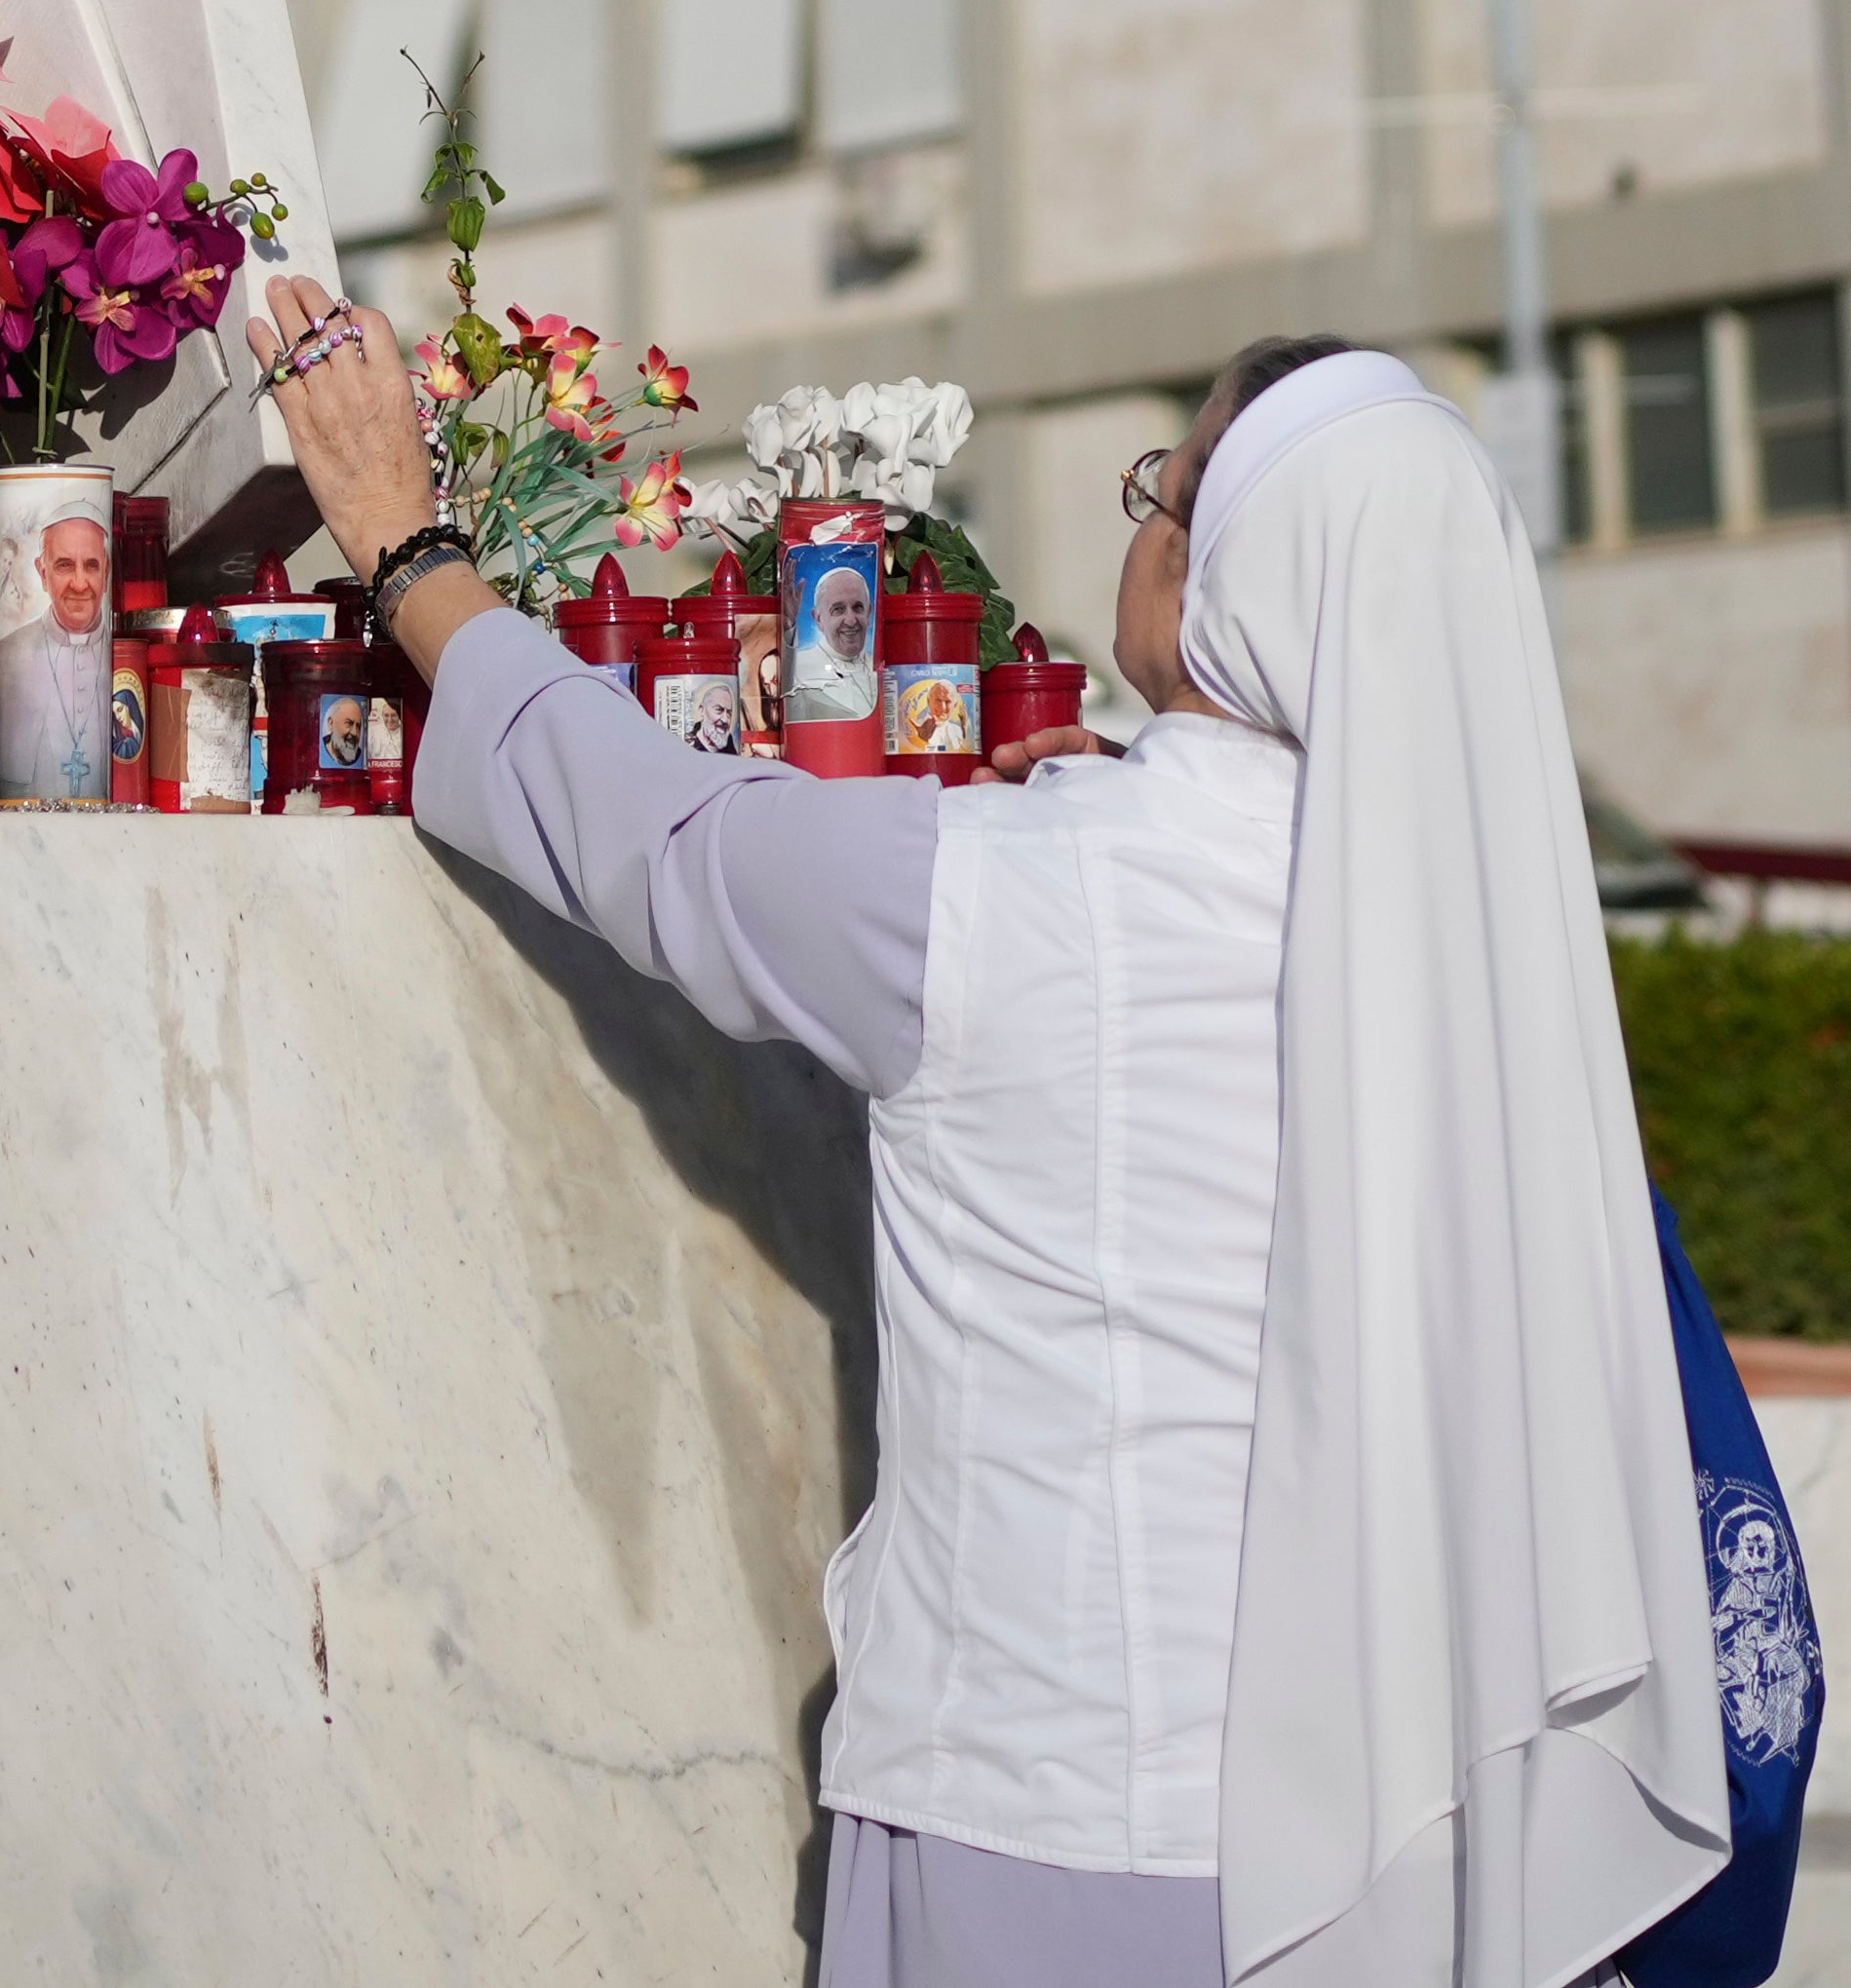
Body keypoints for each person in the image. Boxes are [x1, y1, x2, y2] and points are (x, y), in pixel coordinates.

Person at [251, 273, 1726, 1988]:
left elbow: (662, 836)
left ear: (1212, 566)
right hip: (1422, 1837)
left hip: (1056, 1828)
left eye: (1154, 494)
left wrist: (407, 548)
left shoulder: (1028, 895)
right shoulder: (1488, 949)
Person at [0, 507, 112, 802]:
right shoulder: (6, 657)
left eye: (92, 566)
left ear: (106, 572)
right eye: (64, 565)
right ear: (42, 572)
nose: (80, 583)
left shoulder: (124, 656)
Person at [784, 562, 875, 723]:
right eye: (838, 609)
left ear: (869, 612)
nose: (851, 620)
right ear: (818, 618)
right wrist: (788, 624)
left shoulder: (881, 667)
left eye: (858, 608)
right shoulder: (798, 666)